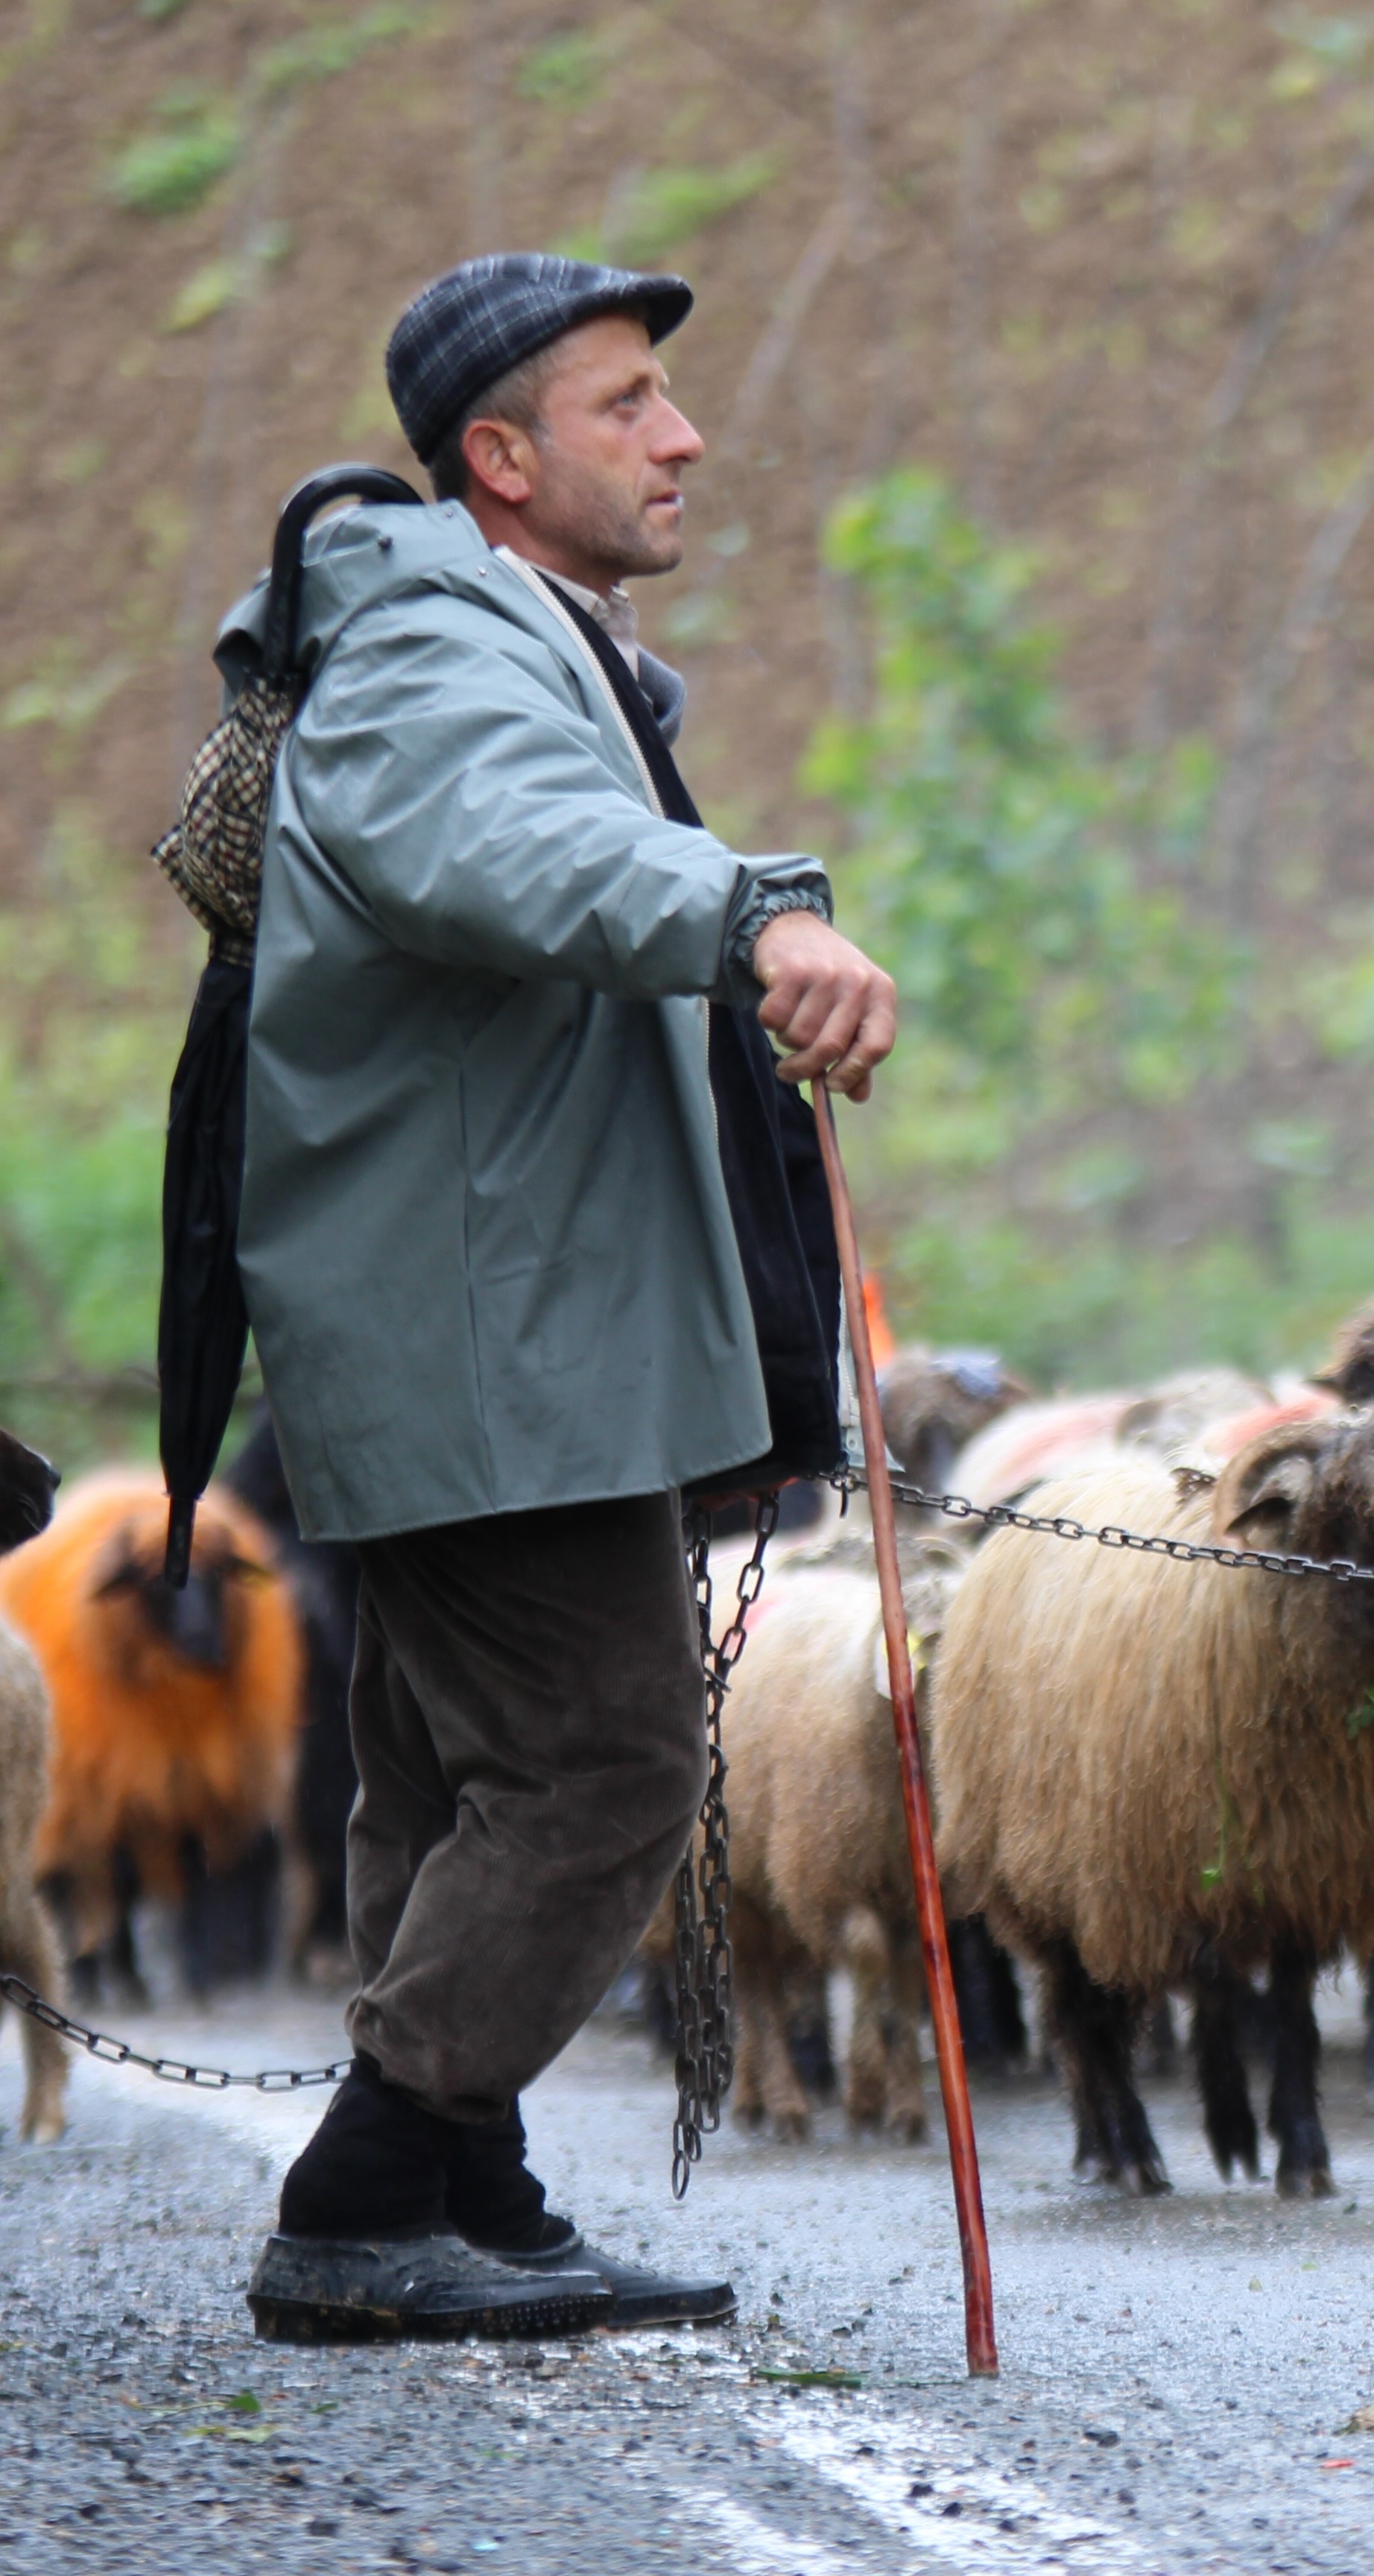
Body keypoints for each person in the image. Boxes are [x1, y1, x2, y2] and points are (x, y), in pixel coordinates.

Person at [234, 254, 899, 2343]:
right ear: (500, 463)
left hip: (497, 1325)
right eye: (628, 405)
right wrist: (750, 917)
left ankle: (476, 2184)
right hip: (488, 1334)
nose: (683, 436)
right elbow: (501, 852)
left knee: (446, 1777)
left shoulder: (511, 631)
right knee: (608, 1766)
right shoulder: (437, 637)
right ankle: (360, 2197)